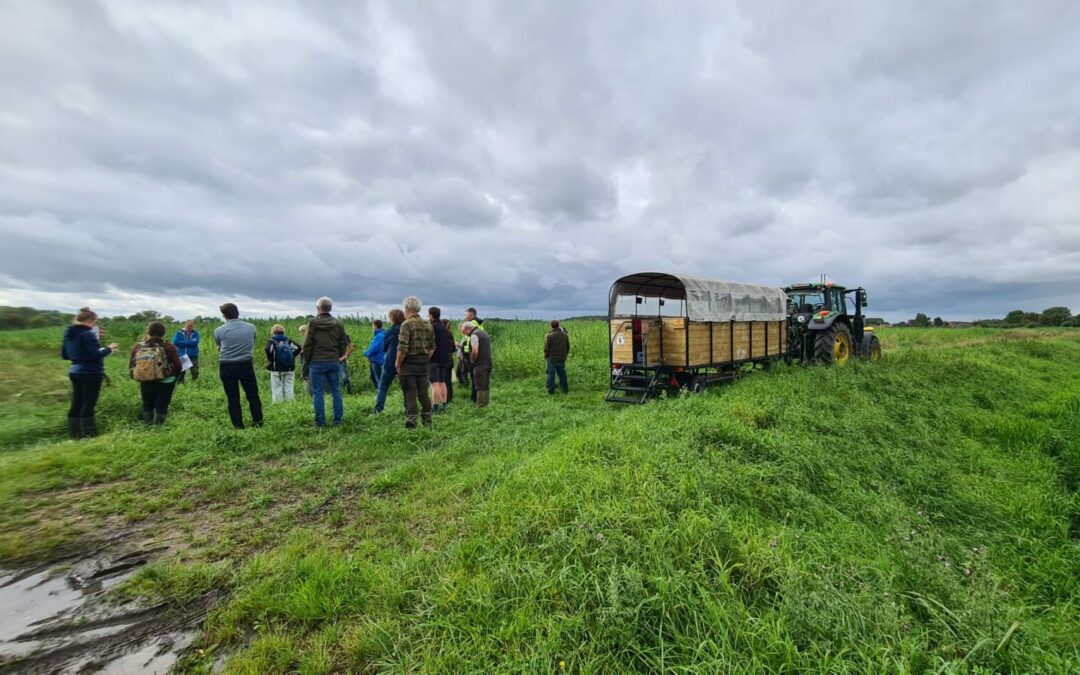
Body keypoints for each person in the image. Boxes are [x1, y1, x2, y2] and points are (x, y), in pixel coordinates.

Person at [62, 308, 119, 438]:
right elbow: (95, 355)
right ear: (88, 321)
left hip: (74, 371)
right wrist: (109, 348)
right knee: (88, 403)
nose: (95, 326)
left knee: (76, 402)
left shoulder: (69, 333)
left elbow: (65, 355)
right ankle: (89, 433)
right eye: (95, 323)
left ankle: (74, 433)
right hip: (91, 372)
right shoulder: (87, 334)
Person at [214, 303, 263, 429]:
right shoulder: (251, 327)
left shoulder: (219, 330)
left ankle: (238, 425)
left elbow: (219, 347)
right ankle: (258, 421)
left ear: (224, 316)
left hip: (226, 365)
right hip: (245, 364)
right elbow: (252, 341)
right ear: (238, 312)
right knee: (253, 395)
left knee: (232, 397)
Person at [302, 297, 349, 427]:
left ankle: (320, 423)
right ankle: (337, 421)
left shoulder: (312, 323)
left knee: (317, 392)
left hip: (316, 361)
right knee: (336, 391)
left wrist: (307, 359)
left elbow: (307, 344)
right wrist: (339, 355)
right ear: (330, 308)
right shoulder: (338, 323)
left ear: (318, 308)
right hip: (333, 360)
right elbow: (342, 342)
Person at [129, 321, 183, 425]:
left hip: (146, 379)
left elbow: (132, 365)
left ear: (148, 331)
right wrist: (175, 376)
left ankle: (147, 427)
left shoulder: (138, 347)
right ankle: (158, 429)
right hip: (166, 380)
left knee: (147, 404)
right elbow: (178, 366)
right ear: (164, 333)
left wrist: (137, 375)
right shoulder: (169, 347)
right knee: (162, 405)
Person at [395, 296, 435, 428]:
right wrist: (425, 358)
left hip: (409, 363)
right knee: (423, 392)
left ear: (407, 308)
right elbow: (432, 347)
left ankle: (411, 420)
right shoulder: (427, 323)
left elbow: (403, 347)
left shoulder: (406, 324)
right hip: (423, 362)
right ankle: (427, 418)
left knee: (410, 392)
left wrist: (398, 363)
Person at [373, 309, 404, 414]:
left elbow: (384, 347)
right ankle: (408, 409)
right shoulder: (406, 329)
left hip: (391, 360)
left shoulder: (390, 331)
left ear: (392, 318)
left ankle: (378, 410)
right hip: (404, 361)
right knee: (406, 387)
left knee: (383, 386)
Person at [265, 324, 302, 403]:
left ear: (273, 332)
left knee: (277, 388)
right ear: (283, 331)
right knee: (289, 387)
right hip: (289, 368)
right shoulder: (289, 341)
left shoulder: (271, 341)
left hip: (277, 369)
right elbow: (299, 348)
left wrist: (273, 360)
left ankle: (278, 405)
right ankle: (290, 404)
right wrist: (292, 356)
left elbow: (268, 351)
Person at [427, 307, 454, 413]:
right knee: (443, 383)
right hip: (445, 359)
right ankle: (444, 405)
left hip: (434, 359)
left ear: (431, 315)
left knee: (434, 384)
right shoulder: (443, 327)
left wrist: (427, 357)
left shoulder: (432, 327)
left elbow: (431, 344)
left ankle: (435, 407)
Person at [461, 321, 492, 407]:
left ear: (468, 329)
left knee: (480, 386)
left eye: (464, 332)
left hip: (480, 364)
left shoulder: (474, 335)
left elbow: (475, 350)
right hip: (488, 362)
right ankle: (486, 404)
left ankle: (480, 407)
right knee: (486, 385)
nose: (466, 335)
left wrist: (472, 360)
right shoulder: (483, 333)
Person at [458, 307, 482, 401]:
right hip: (470, 350)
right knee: (473, 375)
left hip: (471, 352)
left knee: (473, 375)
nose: (465, 317)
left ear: (471, 315)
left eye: (466, 315)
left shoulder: (472, 324)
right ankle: (474, 396)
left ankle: (474, 397)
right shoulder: (477, 323)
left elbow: (470, 338)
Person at [544, 320, 571, 395]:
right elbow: (568, 347)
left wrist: (546, 356)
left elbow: (546, 348)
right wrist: (565, 355)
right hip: (562, 358)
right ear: (559, 325)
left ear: (551, 326)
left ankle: (551, 391)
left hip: (552, 358)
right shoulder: (565, 335)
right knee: (562, 375)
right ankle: (565, 390)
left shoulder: (549, 335)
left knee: (551, 375)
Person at [362, 320, 386, 391]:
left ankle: (381, 393)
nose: (372, 327)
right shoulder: (380, 335)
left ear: (375, 326)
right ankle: (379, 392)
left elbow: (374, 348)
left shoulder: (380, 336)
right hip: (376, 359)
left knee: (378, 378)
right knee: (373, 377)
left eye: (372, 325)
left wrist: (365, 353)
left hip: (377, 360)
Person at [441, 318, 455, 405]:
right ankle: (450, 398)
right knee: (448, 381)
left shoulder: (441, 335)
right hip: (450, 360)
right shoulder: (450, 334)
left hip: (443, 361)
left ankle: (445, 399)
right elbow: (453, 348)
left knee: (443, 381)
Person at [297, 324, 312, 397]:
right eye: (300, 332)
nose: (301, 333)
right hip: (303, 362)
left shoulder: (308, 339)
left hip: (307, 363)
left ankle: (308, 395)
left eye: (302, 331)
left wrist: (303, 351)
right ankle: (307, 394)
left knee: (306, 378)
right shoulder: (302, 340)